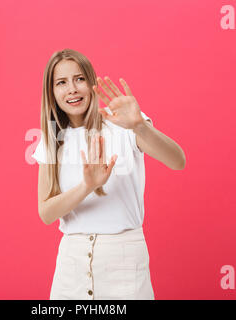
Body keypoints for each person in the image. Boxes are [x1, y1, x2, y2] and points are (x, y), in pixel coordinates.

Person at [32, 48, 186, 300]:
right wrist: (86, 186)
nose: (72, 88)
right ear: (52, 92)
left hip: (123, 259)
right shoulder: (52, 139)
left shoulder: (123, 124)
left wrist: (139, 127)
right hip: (71, 265)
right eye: (61, 82)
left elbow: (177, 161)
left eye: (79, 78)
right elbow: (46, 213)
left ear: (91, 82)